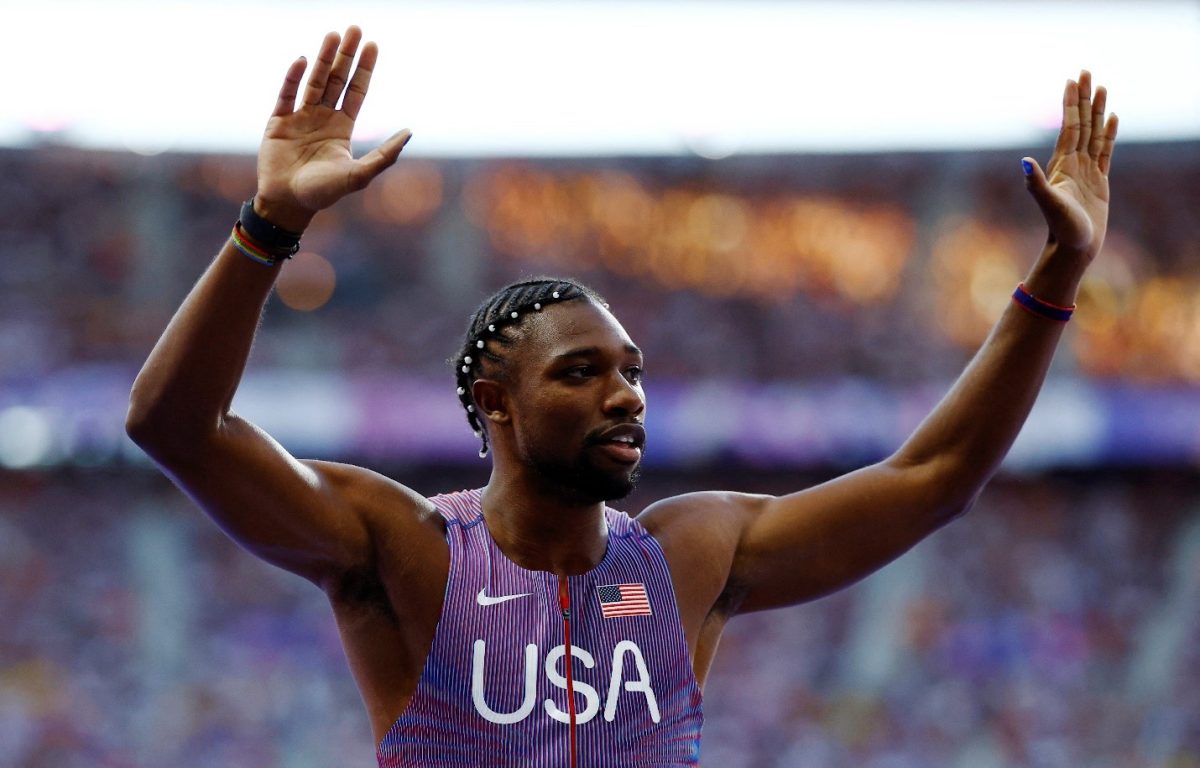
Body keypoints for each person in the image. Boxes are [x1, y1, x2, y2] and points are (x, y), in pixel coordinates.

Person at [125, 25, 1118, 768]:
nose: (625, 395)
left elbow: (937, 477)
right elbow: (175, 426)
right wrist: (266, 227)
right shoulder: (401, 545)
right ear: (494, 401)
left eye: (633, 371)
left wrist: (1060, 275)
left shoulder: (694, 553)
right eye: (581, 372)